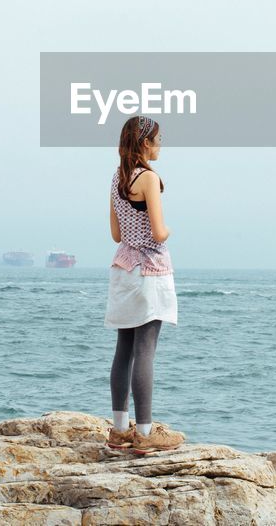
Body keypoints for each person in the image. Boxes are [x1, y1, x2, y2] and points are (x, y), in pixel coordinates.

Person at [103, 115, 185, 454]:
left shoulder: (117, 177)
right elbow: (157, 230)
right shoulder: (149, 178)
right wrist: (168, 231)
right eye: (158, 139)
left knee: (124, 349)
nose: (161, 144)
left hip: (123, 267)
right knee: (146, 350)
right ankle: (146, 433)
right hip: (150, 269)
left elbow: (116, 234)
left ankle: (120, 430)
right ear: (145, 143)